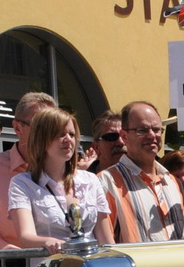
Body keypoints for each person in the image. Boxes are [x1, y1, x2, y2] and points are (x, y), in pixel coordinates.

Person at [9, 107, 113, 251]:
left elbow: (106, 241)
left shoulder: (91, 181)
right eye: (60, 134)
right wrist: (48, 241)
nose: (68, 139)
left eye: (72, 134)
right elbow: (25, 237)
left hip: (90, 263)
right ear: (41, 139)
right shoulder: (22, 183)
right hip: (51, 263)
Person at [101, 101, 184, 243]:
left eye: (156, 129)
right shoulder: (107, 183)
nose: (151, 135)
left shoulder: (174, 183)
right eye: (142, 130)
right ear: (124, 136)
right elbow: (105, 244)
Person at [0, 91, 56, 245]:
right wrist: (2, 249)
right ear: (17, 128)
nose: (47, 133)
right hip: (10, 258)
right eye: (39, 126)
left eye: (52, 126)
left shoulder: (66, 173)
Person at [86, 110, 125, 175]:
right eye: (111, 137)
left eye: (125, 136)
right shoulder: (86, 180)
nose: (121, 142)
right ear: (96, 147)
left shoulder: (141, 173)